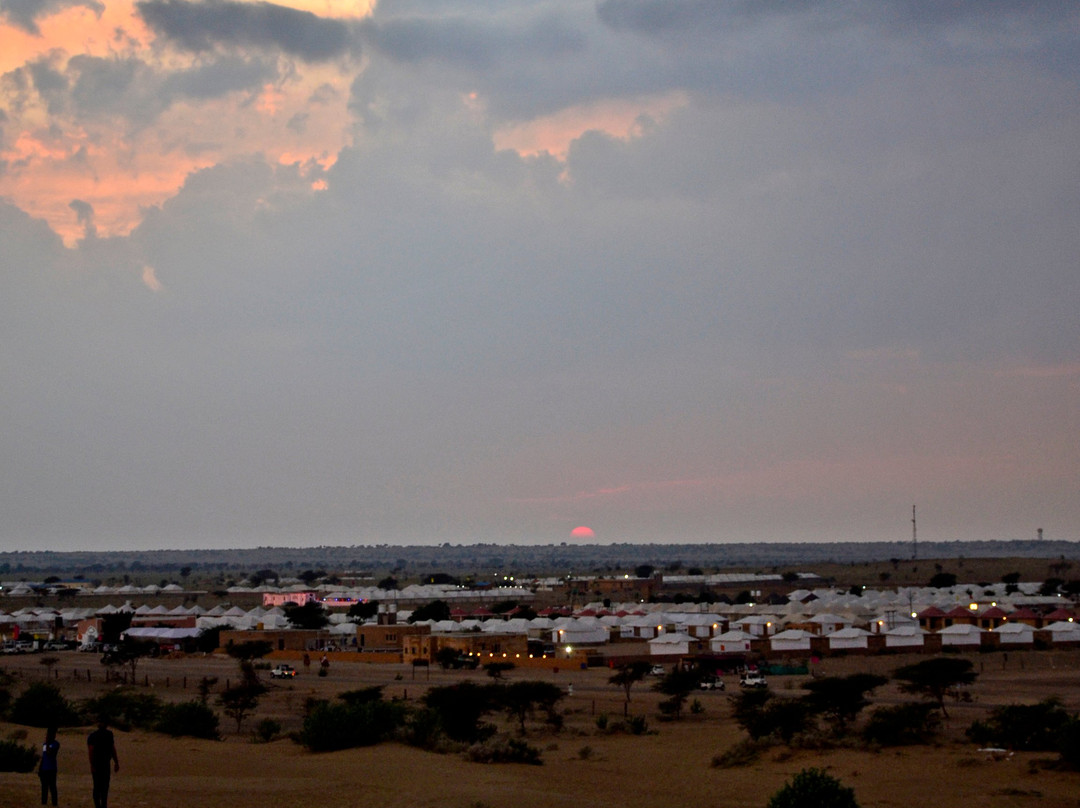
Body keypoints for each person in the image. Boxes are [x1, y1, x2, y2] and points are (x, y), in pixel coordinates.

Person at [87, 717, 119, 808]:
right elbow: (91, 751)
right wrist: (116, 762)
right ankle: (101, 805)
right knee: (102, 786)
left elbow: (91, 750)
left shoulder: (94, 736)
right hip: (101, 763)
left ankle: (100, 805)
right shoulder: (107, 735)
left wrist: (116, 762)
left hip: (101, 763)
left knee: (99, 786)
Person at [38, 726, 59, 806]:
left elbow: (49, 753)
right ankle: (44, 802)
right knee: (44, 787)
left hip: (51, 769)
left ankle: (54, 803)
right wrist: (40, 768)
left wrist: (47, 743)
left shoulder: (55, 744)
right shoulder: (44, 744)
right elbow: (44, 757)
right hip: (44, 769)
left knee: (52, 787)